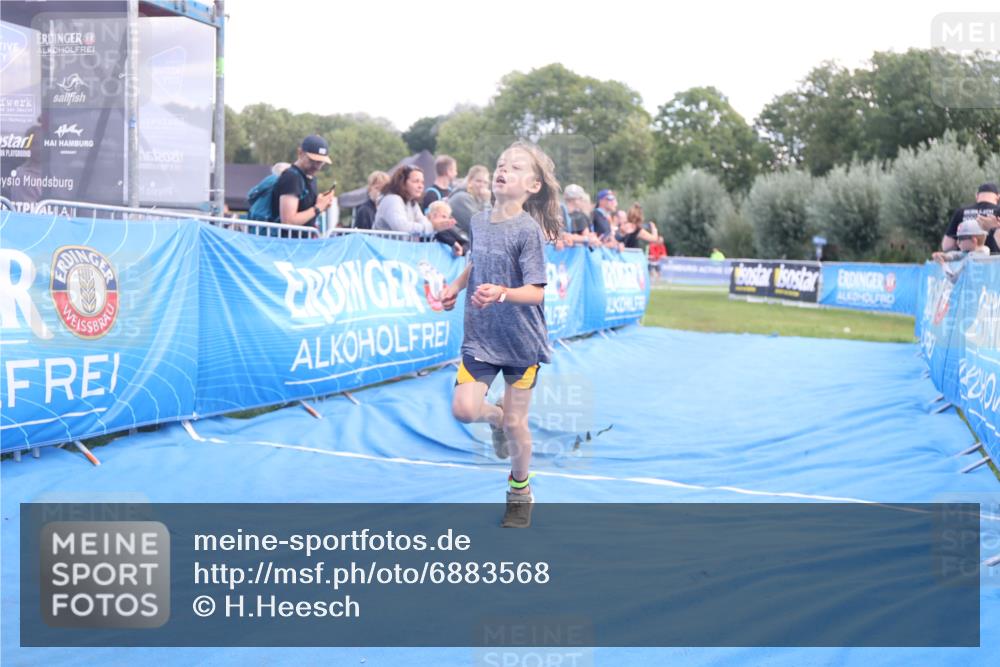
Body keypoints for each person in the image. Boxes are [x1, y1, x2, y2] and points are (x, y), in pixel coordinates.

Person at [440, 141, 561, 528]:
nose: (503, 170)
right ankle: (494, 418)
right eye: (501, 164)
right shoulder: (478, 222)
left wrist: (503, 293)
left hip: (521, 343)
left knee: (516, 424)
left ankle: (520, 489)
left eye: (515, 167)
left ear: (533, 186)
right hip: (481, 336)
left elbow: (537, 292)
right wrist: (455, 287)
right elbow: (476, 263)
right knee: (464, 410)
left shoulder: (528, 231)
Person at [273, 135, 336, 230]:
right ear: (300, 153)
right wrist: (318, 207)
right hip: (287, 238)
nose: (317, 166)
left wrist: (320, 202)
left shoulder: (310, 178)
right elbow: (288, 222)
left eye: (321, 162)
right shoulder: (292, 177)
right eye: (312, 160)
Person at [373, 165, 456, 237]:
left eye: (422, 182)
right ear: (403, 182)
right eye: (416, 181)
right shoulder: (392, 200)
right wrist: (432, 227)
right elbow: (402, 227)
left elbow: (423, 222)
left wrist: (437, 226)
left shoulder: (412, 203)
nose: (421, 186)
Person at [942, 183, 1000, 253]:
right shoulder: (998, 211)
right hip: (994, 258)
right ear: (998, 197)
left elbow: (947, 246)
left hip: (967, 259)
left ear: (977, 196)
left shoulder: (961, 212)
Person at [448, 165, 491, 235]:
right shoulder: (462, 198)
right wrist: (486, 202)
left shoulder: (477, 199)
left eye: (485, 182)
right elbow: (482, 228)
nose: (482, 185)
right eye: (478, 181)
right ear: (469, 181)